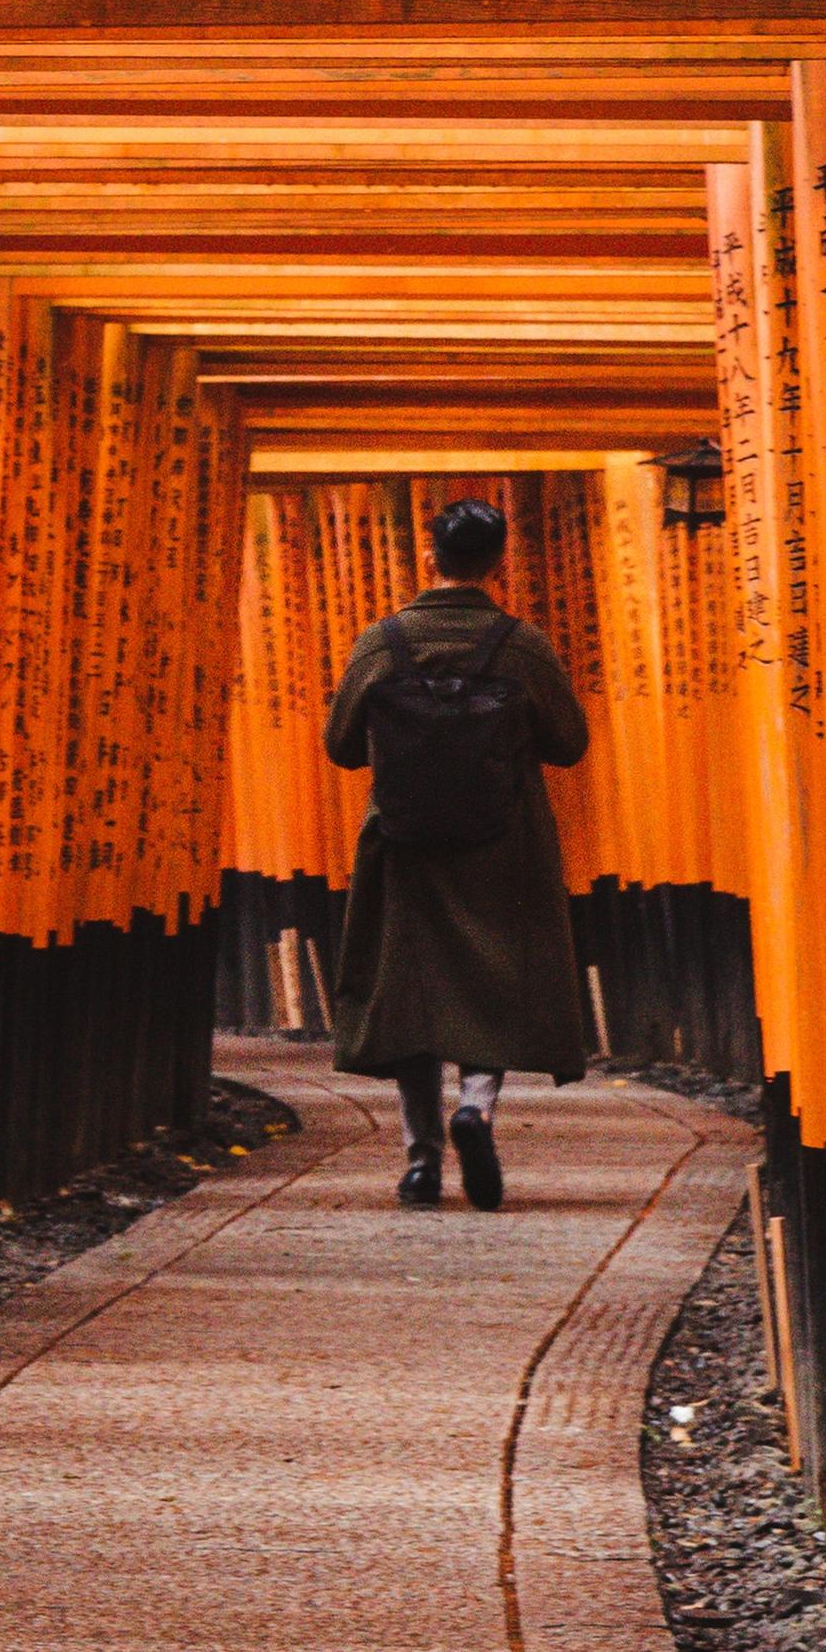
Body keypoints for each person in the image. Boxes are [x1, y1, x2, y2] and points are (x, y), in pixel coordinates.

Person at [317, 496, 596, 1209]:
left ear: (430, 555)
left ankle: (420, 1161)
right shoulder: (521, 644)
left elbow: (342, 746)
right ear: (498, 561)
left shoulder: (382, 642)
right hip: (503, 844)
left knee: (411, 994)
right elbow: (569, 742)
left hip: (405, 846)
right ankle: (476, 1107)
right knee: (492, 982)